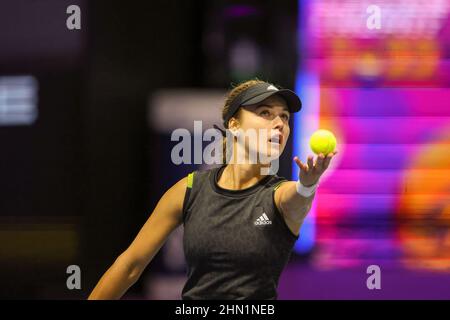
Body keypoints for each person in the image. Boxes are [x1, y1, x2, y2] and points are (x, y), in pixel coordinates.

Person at [88, 79, 337, 300]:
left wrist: (308, 184)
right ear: (234, 125)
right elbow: (131, 265)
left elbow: (298, 200)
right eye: (265, 112)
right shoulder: (189, 189)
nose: (279, 123)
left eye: (284, 116)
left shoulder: (279, 195)